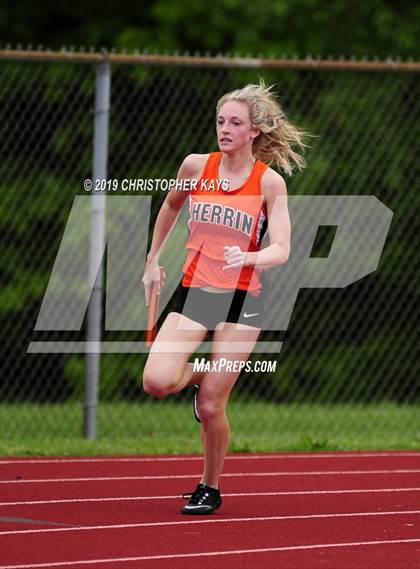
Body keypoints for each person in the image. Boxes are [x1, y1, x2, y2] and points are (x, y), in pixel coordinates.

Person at [142, 82, 307, 515]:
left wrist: (250, 255)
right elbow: (171, 206)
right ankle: (197, 376)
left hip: (242, 298)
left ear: (254, 131)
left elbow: (283, 248)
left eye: (235, 122)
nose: (225, 129)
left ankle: (209, 487)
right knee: (156, 381)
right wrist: (152, 259)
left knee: (215, 404)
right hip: (196, 290)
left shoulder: (269, 183)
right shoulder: (196, 166)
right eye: (220, 121)